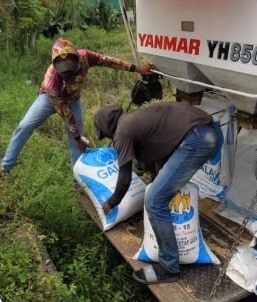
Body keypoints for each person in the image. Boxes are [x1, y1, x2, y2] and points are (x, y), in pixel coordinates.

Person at [93, 102, 221, 284]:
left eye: (104, 134)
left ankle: (169, 268)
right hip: (203, 130)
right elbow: (160, 148)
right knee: (160, 190)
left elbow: (124, 179)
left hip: (195, 139)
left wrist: (112, 202)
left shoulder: (122, 133)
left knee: (153, 200)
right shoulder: (132, 120)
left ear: (106, 128)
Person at [0, 37, 152, 183]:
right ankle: (5, 168)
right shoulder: (51, 79)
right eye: (63, 69)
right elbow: (64, 112)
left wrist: (137, 69)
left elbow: (108, 61)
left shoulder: (85, 57)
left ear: (76, 57)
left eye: (70, 65)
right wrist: (78, 138)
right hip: (49, 100)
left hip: (73, 100)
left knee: (76, 145)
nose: (67, 72)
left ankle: (78, 185)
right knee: (25, 125)